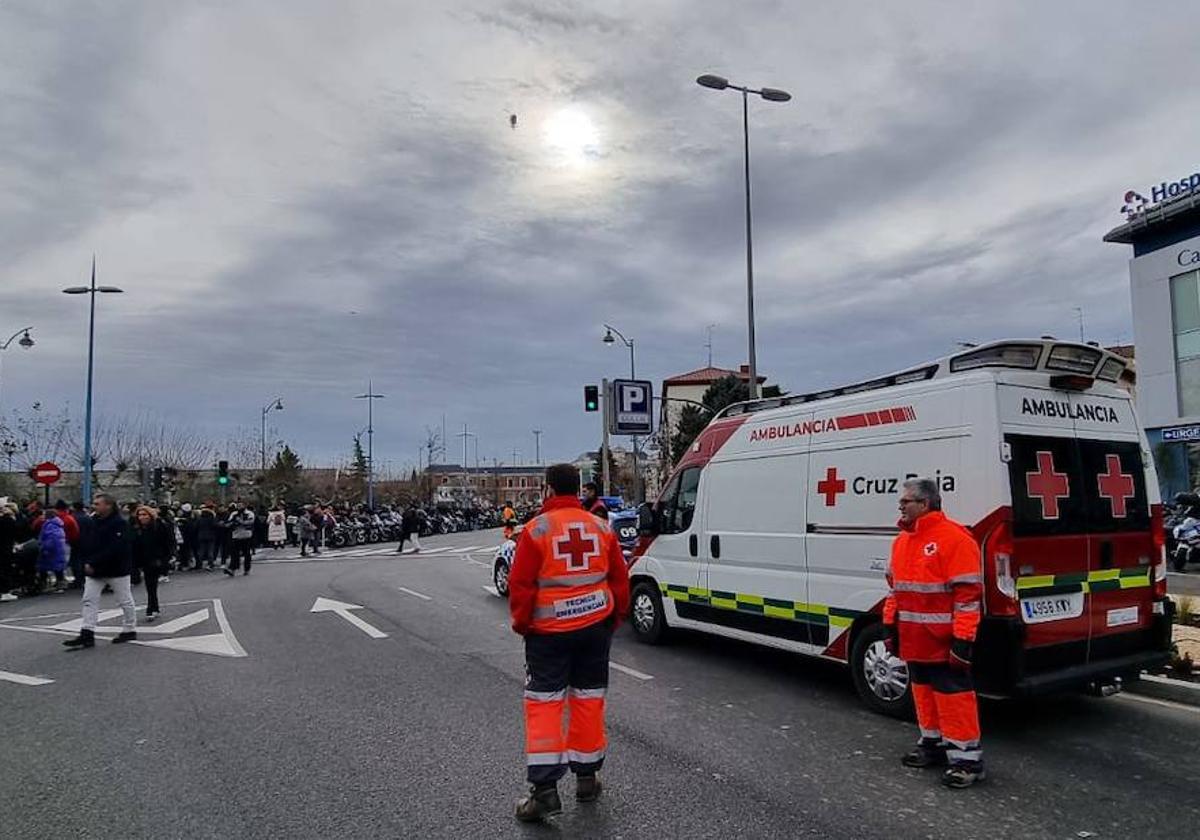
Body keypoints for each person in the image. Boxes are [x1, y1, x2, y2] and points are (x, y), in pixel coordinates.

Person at [507, 463, 631, 822]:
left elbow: (522, 586)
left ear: (547, 490)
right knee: (588, 699)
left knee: (545, 705)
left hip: (548, 635)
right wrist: (613, 617)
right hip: (595, 630)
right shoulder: (599, 526)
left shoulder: (536, 530)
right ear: (577, 489)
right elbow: (619, 578)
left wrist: (522, 624)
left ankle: (544, 791)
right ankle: (587, 778)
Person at [882, 477, 985, 789]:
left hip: (943, 640)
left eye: (906, 501)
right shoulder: (901, 541)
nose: (900, 505)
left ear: (924, 504)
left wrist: (962, 640)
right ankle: (934, 745)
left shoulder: (954, 539)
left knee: (954, 697)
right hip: (915, 638)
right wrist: (890, 625)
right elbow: (896, 590)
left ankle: (967, 759)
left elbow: (968, 597)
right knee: (923, 693)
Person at [62, 494, 136, 649]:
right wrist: (87, 561)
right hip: (95, 570)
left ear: (108, 505)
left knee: (124, 600)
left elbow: (116, 548)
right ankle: (87, 632)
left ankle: (129, 629)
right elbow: (87, 543)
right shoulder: (93, 521)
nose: (94, 506)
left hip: (116, 570)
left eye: (97, 504)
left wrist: (93, 561)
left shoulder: (119, 523)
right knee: (89, 600)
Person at [131, 505, 174, 622]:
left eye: (144, 515)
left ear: (150, 515)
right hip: (143, 560)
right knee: (150, 586)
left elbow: (168, 542)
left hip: (156, 559)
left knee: (151, 584)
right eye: (139, 515)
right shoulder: (137, 529)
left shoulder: (159, 526)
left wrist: (167, 557)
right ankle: (154, 607)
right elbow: (134, 546)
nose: (142, 517)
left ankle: (151, 608)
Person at [37, 507, 69, 593]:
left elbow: (51, 538)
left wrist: (44, 548)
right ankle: (60, 583)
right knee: (58, 567)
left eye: (44, 514)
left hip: (51, 550)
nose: (42, 516)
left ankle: (46, 585)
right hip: (58, 549)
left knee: (44, 568)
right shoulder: (57, 524)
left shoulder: (50, 525)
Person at [225, 502, 256, 576]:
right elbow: (229, 522)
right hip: (236, 535)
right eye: (238, 506)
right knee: (234, 553)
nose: (239, 507)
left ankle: (247, 569)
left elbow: (250, 522)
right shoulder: (234, 514)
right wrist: (230, 524)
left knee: (246, 553)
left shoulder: (249, 513)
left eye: (241, 505)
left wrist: (240, 521)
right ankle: (232, 568)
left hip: (246, 535)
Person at [1, 502, 19, 602]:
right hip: (6, 548)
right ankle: (5, 592)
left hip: (4, 547)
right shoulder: (9, 521)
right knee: (6, 569)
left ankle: (4, 591)